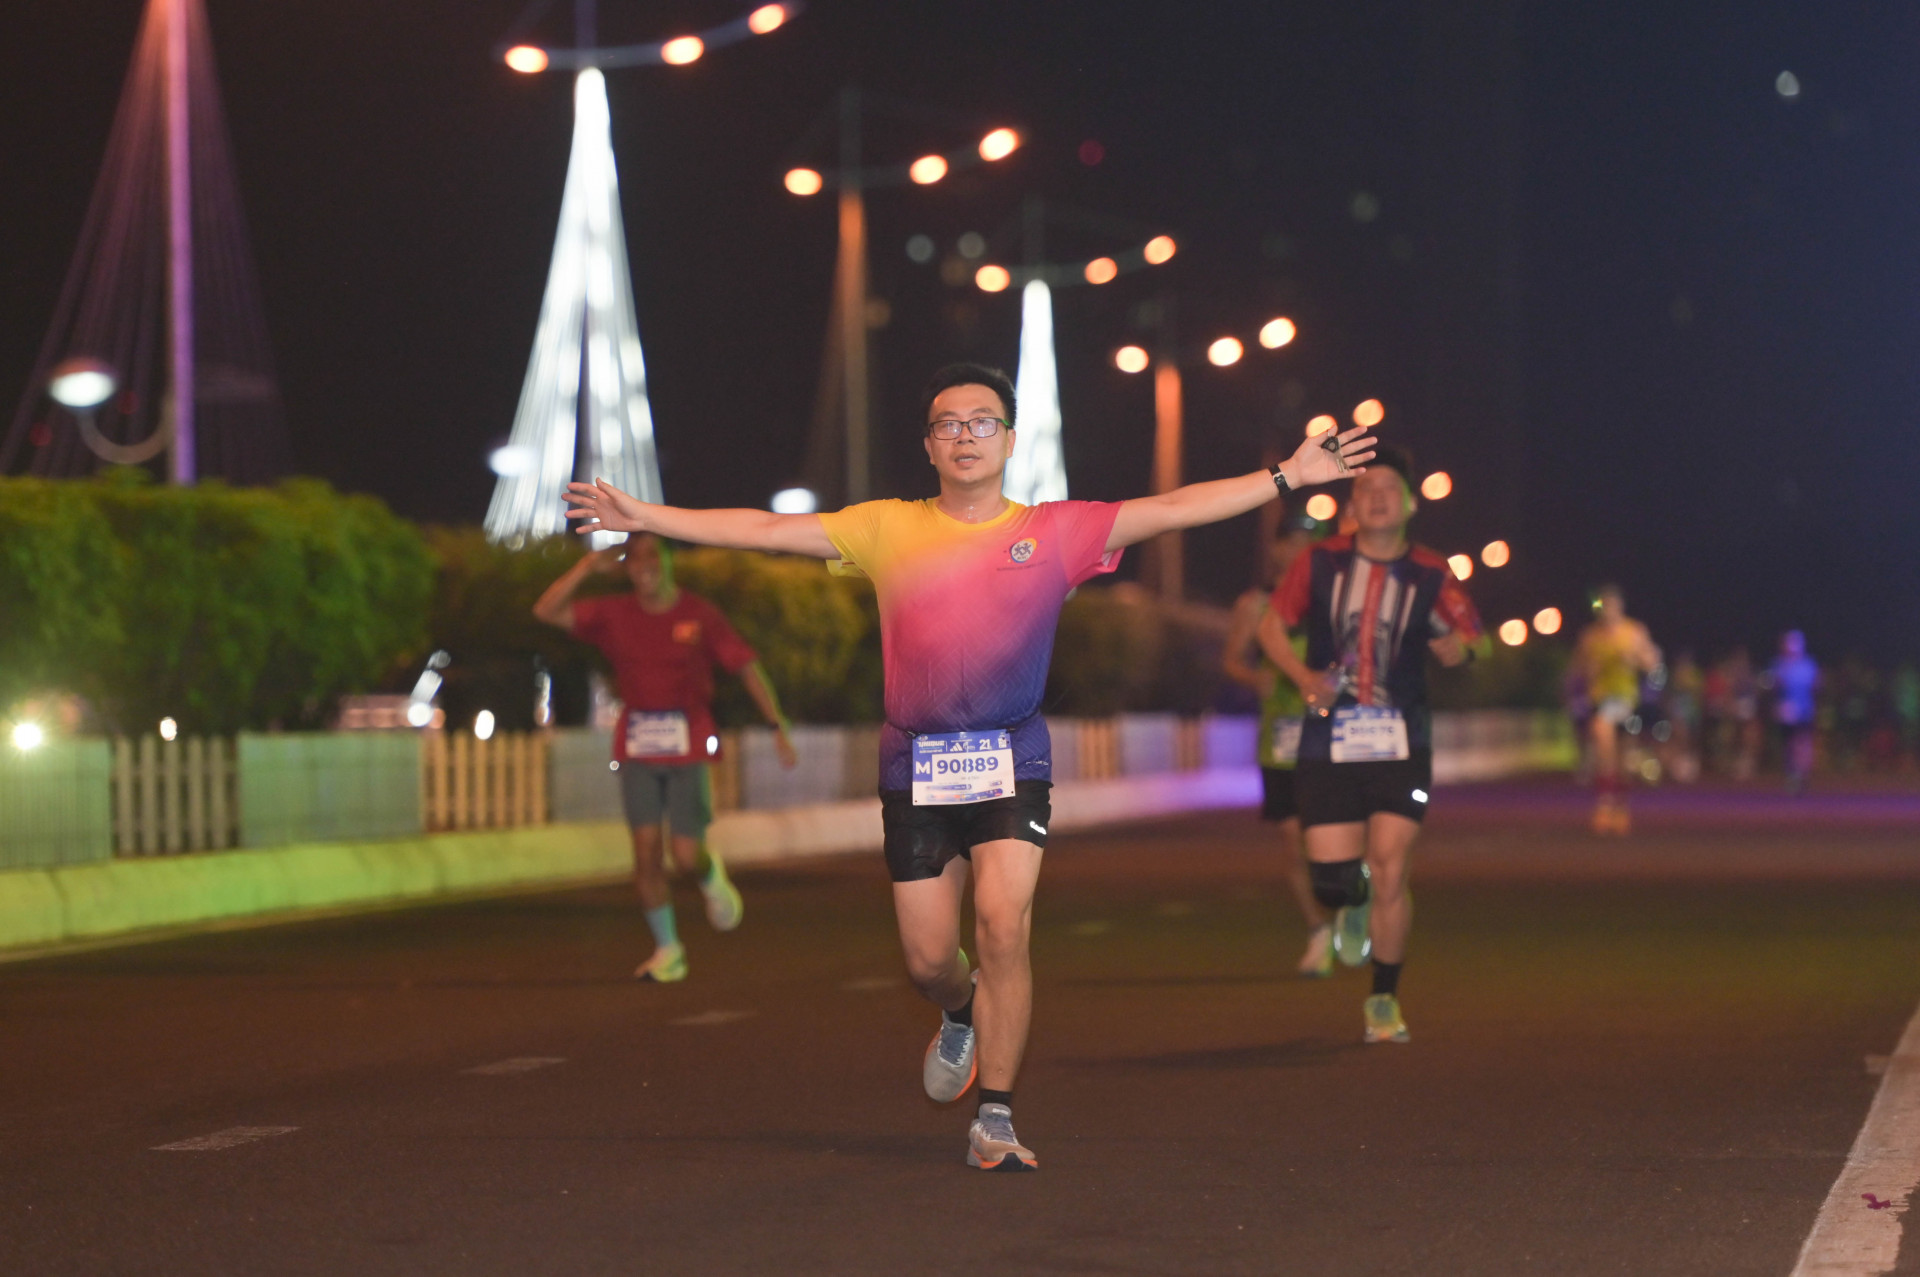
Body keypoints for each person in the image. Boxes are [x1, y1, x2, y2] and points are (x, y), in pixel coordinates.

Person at [563, 362, 1374, 1171]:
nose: (964, 435)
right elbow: (767, 531)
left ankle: (996, 1114)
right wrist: (648, 516)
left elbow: (1168, 509)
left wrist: (1286, 476)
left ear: (1010, 439)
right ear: (928, 444)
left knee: (1001, 924)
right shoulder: (888, 528)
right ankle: (959, 1014)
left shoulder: (1058, 530)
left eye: (981, 421)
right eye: (948, 423)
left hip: (1012, 757)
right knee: (927, 958)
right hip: (912, 761)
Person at [1256, 446, 1485, 1046]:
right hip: (1327, 739)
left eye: (1391, 488)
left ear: (1411, 502)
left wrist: (1465, 649)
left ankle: (1383, 997)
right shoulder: (1320, 562)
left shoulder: (1432, 572)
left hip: (1401, 739)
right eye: (1368, 488)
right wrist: (1304, 679)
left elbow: (1472, 634)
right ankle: (1347, 901)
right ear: (1353, 503)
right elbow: (1270, 626)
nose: (1379, 497)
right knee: (1333, 881)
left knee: (1391, 867)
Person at [534, 534, 797, 982]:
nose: (646, 566)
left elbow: (745, 665)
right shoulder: (615, 612)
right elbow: (546, 611)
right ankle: (668, 949)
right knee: (645, 853)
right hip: (637, 745)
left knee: (684, 853)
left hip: (688, 741)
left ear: (670, 562)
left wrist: (776, 724)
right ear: (627, 568)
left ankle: (710, 875)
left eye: (654, 556)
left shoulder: (698, 614)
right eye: (636, 559)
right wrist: (585, 570)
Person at [1221, 514, 1331, 976]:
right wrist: (1258, 678)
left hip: (1334, 736)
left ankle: (1350, 904)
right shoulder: (1257, 605)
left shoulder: (1331, 601)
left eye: (1310, 543)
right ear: (1278, 549)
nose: (1299, 550)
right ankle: (1319, 932)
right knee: (1294, 840)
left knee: (1337, 836)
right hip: (1282, 738)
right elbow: (1233, 660)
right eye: (1292, 542)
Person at [1571, 585, 1661, 834]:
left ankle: (1620, 806)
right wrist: (1591, 668)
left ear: (1620, 607)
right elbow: (1578, 669)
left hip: (1627, 700)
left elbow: (1652, 662)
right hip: (1601, 699)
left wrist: (1634, 657)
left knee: (1622, 760)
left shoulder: (1634, 632)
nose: (1608, 611)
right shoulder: (1590, 636)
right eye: (1604, 606)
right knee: (1603, 738)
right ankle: (1604, 803)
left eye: (1612, 605)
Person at [1768, 631, 1820, 793]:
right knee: (1788, 745)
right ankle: (1792, 775)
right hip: (1786, 713)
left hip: (1805, 712)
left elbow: (1816, 687)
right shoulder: (1778, 664)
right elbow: (1773, 688)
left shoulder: (1808, 665)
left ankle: (1803, 774)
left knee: (1803, 743)